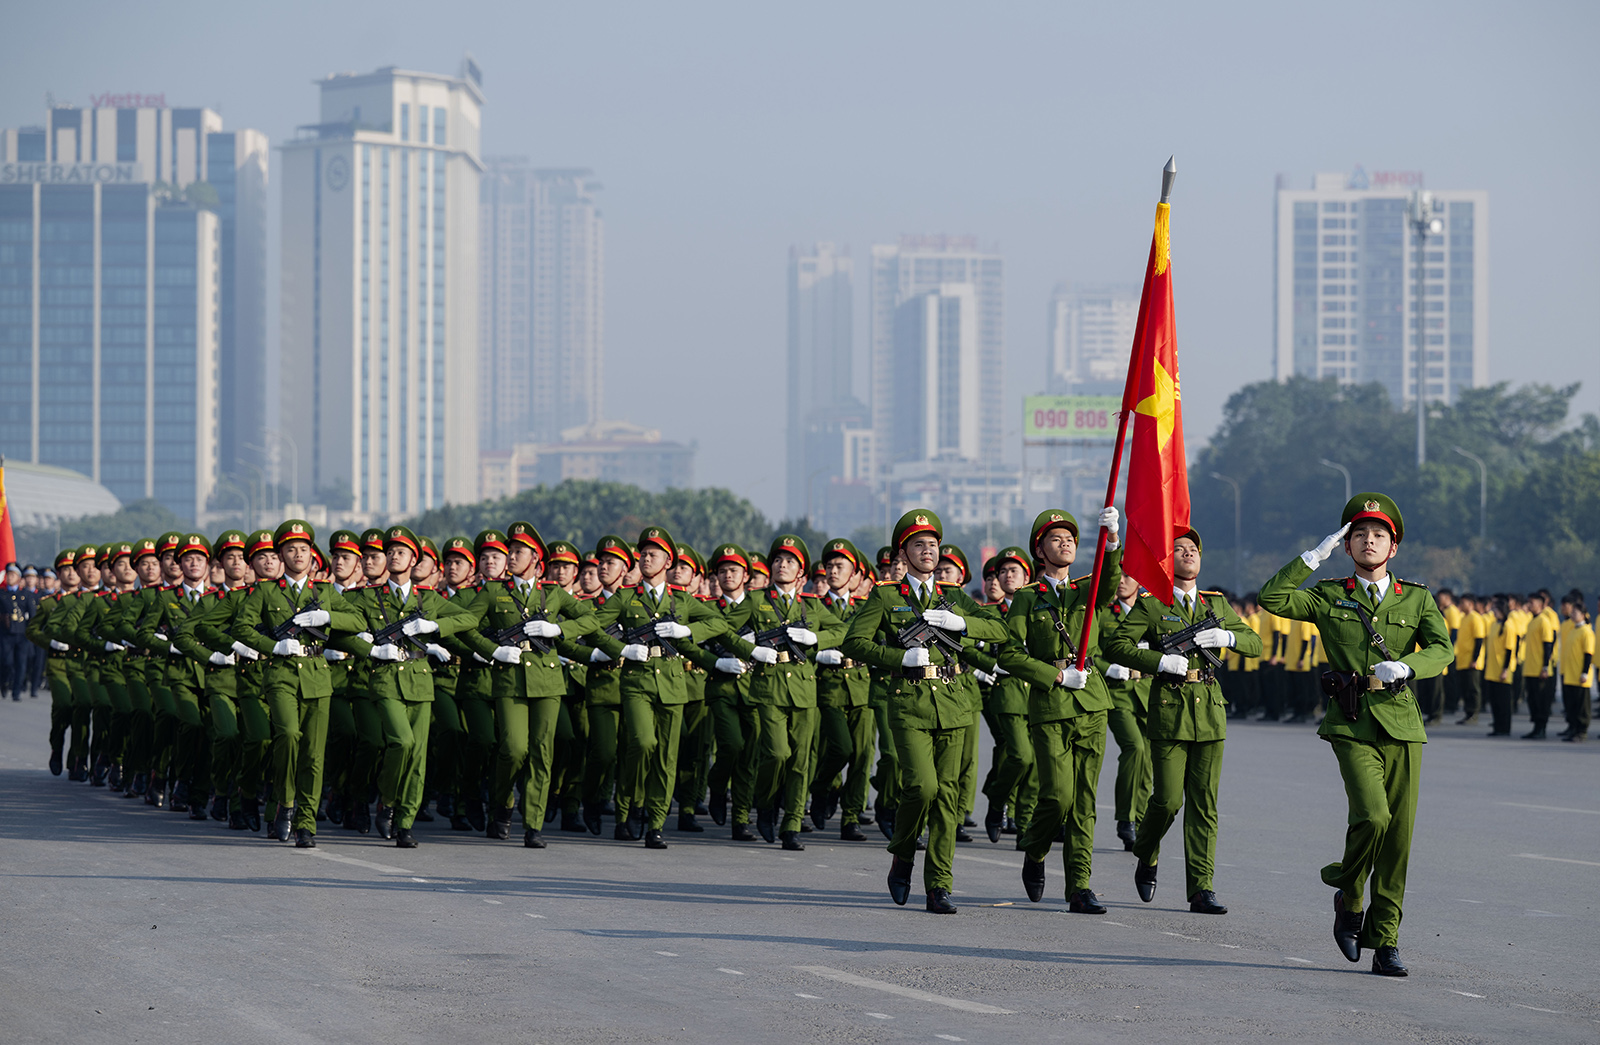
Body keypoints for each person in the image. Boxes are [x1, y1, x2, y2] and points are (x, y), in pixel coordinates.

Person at [1258, 493, 1452, 976]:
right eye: (1359, 534)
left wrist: (1408, 665)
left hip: (1403, 724)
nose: (1369, 541)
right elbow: (1272, 598)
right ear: (1347, 546)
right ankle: (1349, 893)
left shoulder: (1417, 597)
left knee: (1398, 838)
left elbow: (1443, 649)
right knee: (1373, 815)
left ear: (1394, 547)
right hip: (1351, 721)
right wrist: (1311, 557)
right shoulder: (1329, 594)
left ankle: (1385, 941)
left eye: (1379, 535)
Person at [843, 509, 1009, 914]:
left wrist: (962, 622)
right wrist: (899, 658)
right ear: (905, 553)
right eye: (919, 544)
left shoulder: (953, 597)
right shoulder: (885, 596)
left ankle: (938, 885)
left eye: (933, 544)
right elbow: (854, 643)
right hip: (910, 702)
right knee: (922, 787)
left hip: (953, 702)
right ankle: (902, 852)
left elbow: (1002, 629)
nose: (929, 551)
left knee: (948, 798)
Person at [1106, 529, 1261, 915]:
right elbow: (1115, 646)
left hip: (1209, 710)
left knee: (1204, 805)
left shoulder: (1217, 603)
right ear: (1166, 561)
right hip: (1170, 709)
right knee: (1168, 800)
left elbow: (1255, 644)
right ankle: (1147, 851)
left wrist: (1226, 634)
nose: (1189, 554)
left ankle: (1201, 889)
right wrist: (1159, 661)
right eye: (1179, 549)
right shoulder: (1150, 604)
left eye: (1194, 549)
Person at [994, 508, 1121, 913]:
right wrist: (1055, 675)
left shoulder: (1088, 589)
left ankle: (1079, 887)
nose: (1065, 542)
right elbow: (1011, 654)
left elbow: (1111, 585)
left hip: (1092, 705)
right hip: (1050, 704)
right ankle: (1035, 847)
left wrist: (1113, 541)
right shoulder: (1028, 598)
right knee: (1058, 796)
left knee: (1085, 799)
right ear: (1039, 550)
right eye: (1055, 538)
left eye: (1070, 538)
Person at [457, 521, 600, 848]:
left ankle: (533, 824)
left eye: (518, 552)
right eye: (510, 551)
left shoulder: (553, 593)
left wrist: (560, 631)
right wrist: (492, 651)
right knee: (513, 748)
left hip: (547, 680)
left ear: (535, 557)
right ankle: (502, 803)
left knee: (541, 752)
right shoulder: (494, 592)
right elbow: (466, 626)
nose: (510, 557)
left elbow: (592, 620)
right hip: (509, 678)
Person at [586, 527, 731, 849]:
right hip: (636, 681)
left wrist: (687, 629)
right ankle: (627, 807)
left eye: (653, 555)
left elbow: (720, 624)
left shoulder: (681, 600)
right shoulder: (626, 597)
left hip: (672, 683)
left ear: (668, 561)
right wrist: (619, 649)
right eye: (643, 554)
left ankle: (655, 822)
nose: (646, 559)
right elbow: (592, 627)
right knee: (641, 742)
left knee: (666, 757)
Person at [230, 520, 367, 847]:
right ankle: (284, 802)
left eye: (303, 549)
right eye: (290, 549)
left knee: (313, 754)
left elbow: (360, 620)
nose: (298, 555)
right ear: (280, 555)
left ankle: (306, 822)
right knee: (288, 736)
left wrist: (329, 617)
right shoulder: (265, 591)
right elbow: (240, 627)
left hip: (317, 676)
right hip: (281, 674)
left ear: (311, 554)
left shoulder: (325, 592)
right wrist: (272, 646)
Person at [809, 538, 874, 841]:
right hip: (828, 686)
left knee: (862, 754)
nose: (833, 572)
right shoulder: (813, 606)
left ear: (856, 574)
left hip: (861, 685)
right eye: (830, 566)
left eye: (840, 566)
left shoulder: (866, 607)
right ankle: (823, 787)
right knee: (840, 747)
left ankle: (851, 816)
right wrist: (818, 654)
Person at [1099, 570, 1152, 851]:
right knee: (1135, 749)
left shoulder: (1151, 611)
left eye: (1129, 575)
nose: (1121, 580)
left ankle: (1142, 822)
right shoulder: (1105, 614)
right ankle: (1125, 819)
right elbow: (1089, 652)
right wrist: (1109, 668)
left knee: (1148, 759)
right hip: (1116, 693)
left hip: (1148, 692)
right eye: (1117, 574)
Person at [1520, 591, 1559, 739]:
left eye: (1533, 603)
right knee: (1533, 700)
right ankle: (1536, 727)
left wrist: (1545, 667)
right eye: (1529, 602)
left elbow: (1548, 646)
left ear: (1542, 605)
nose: (1529, 605)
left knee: (1541, 700)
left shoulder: (1544, 621)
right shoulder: (1531, 621)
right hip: (1530, 668)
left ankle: (1541, 728)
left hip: (1539, 669)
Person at [0, 562, 39, 701]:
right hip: (6, 634)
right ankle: (4, 682)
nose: (10, 577)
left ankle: (16, 692)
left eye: (13, 574)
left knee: (21, 664)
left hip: (22, 634)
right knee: (6, 662)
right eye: (8, 574)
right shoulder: (2, 594)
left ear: (18, 577)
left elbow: (33, 615)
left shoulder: (26, 595)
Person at [1558, 593, 1592, 741]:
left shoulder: (1587, 632)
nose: (1572, 615)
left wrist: (1585, 672)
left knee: (1581, 706)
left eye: (1575, 612)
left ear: (1583, 615)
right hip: (1569, 674)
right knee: (1571, 704)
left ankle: (1581, 731)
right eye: (1572, 612)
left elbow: (1588, 654)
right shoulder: (1572, 630)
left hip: (1580, 675)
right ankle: (1573, 729)